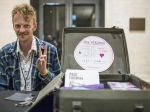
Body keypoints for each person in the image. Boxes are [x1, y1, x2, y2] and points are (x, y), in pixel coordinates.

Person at [0, 3, 61, 91]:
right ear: (13, 26)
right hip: (13, 104)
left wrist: (44, 73)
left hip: (41, 104)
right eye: (18, 26)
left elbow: (59, 88)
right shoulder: (4, 53)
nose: (21, 30)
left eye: (26, 25)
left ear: (34, 26)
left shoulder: (50, 51)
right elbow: (2, 90)